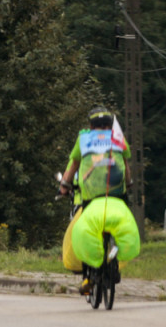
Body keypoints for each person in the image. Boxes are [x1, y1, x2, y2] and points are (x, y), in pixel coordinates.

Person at [59, 107, 137, 294]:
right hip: (117, 195)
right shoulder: (118, 138)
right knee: (119, 224)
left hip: (92, 197)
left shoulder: (83, 139)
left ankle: (87, 277)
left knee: (85, 230)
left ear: (90, 125)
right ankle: (115, 263)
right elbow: (126, 167)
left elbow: (74, 165)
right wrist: (129, 184)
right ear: (110, 125)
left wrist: (64, 185)